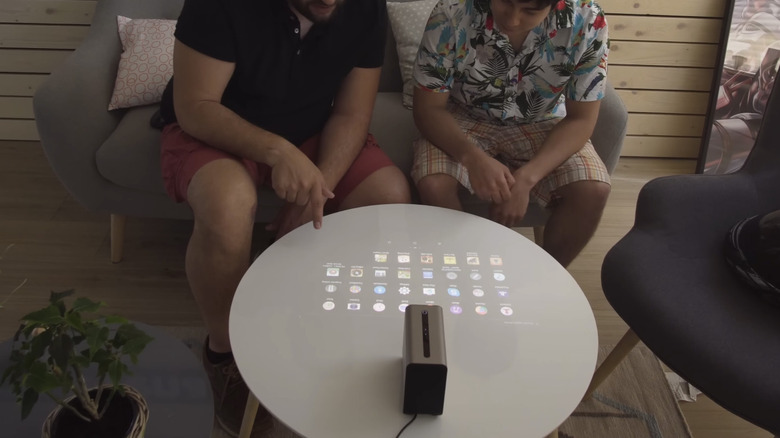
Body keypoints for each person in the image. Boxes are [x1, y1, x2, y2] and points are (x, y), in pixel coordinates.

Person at [156, 0, 411, 435]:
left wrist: (318, 187)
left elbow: (352, 112)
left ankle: (327, 327)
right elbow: (196, 105)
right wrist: (279, 152)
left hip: (310, 126)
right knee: (228, 205)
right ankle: (223, 353)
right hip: (221, 127)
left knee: (389, 196)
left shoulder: (366, 6)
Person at [411, 0, 611, 267]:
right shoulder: (451, 11)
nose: (513, 20)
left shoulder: (587, 19)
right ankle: (460, 270)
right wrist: (473, 158)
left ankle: (546, 276)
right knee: (434, 183)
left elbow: (582, 119)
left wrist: (527, 179)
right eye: (505, 2)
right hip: (463, 115)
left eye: (530, 11)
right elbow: (428, 110)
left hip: (543, 119)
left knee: (594, 189)